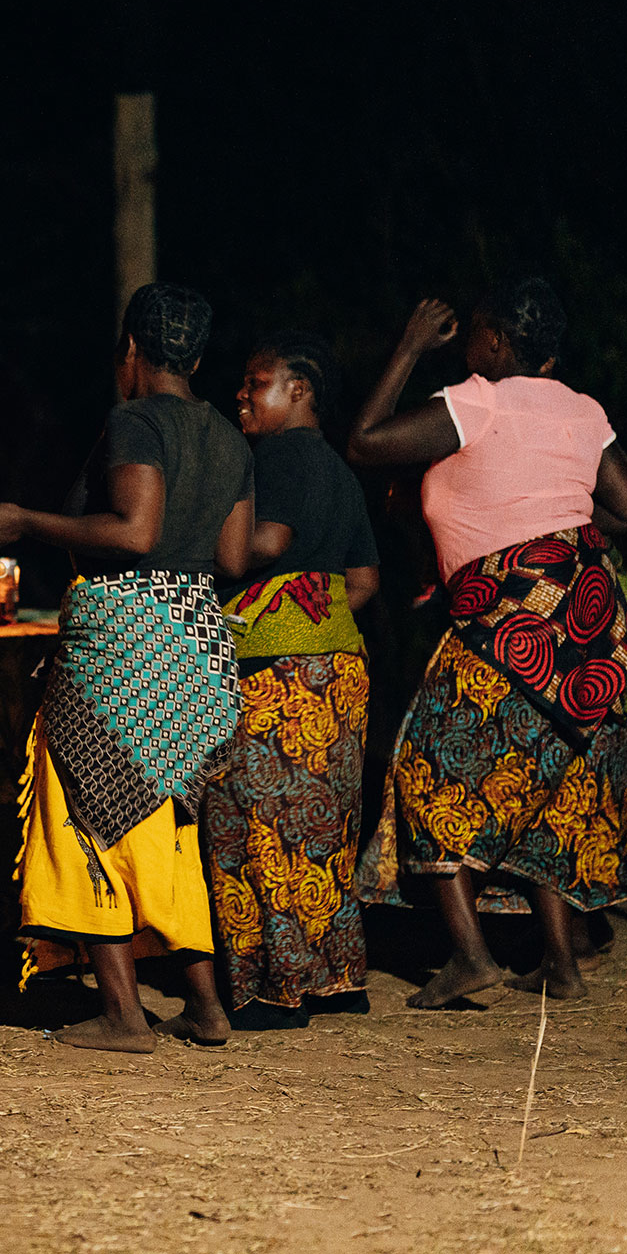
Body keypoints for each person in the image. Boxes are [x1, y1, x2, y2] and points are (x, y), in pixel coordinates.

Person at [0, 283, 253, 1054]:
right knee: (164, 824)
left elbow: (134, 531)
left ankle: (124, 1014)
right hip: (197, 648)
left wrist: (25, 521)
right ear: (197, 358)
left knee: (82, 810)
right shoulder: (228, 437)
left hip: (125, 645)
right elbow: (231, 557)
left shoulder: (136, 420)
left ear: (130, 350)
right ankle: (205, 1005)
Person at [347, 282, 627, 1006]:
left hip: (508, 623)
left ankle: (470, 955)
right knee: (550, 786)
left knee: (425, 768)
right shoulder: (583, 409)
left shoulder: (478, 400)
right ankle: (561, 964)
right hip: (586, 619)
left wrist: (408, 349)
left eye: (474, 334)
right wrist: (559, 538)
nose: (465, 346)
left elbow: (365, 442)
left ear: (494, 342)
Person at [210, 333, 381, 1028]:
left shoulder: (276, 455)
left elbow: (267, 543)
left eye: (257, 383)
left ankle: (275, 989)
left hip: (276, 677)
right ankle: (336, 978)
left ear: (299, 390)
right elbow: (363, 581)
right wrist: (315, 614)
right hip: (338, 668)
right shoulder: (340, 470)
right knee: (323, 827)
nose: (242, 395)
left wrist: (197, 548)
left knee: (253, 825)